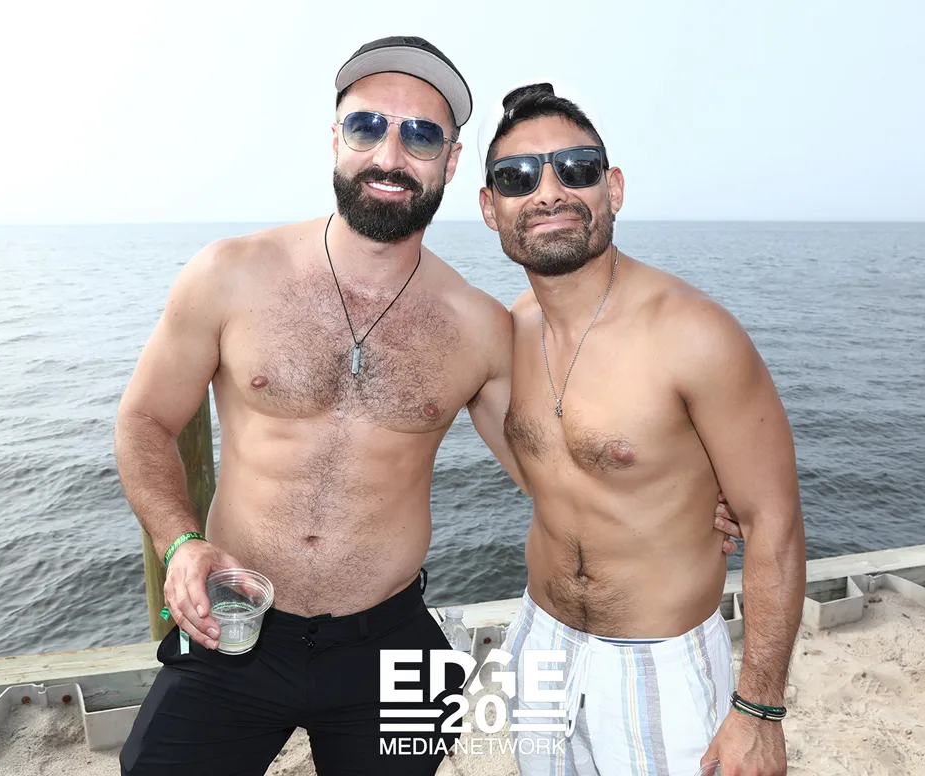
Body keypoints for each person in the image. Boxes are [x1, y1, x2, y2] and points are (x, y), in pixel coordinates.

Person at [114, 37, 742, 776]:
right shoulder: (229, 275)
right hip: (233, 622)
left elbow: (553, 464)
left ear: (450, 162)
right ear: (336, 139)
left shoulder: (478, 327)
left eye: (420, 135)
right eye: (367, 126)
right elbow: (145, 422)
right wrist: (181, 544)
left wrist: (688, 496)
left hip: (389, 638)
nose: (390, 154)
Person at [477, 83, 806, 776]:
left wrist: (759, 709)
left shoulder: (692, 332)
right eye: (517, 177)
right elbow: (540, 472)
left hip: (662, 666)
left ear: (614, 189)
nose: (549, 192)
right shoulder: (506, 335)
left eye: (576, 169)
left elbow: (773, 521)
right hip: (541, 642)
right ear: (490, 207)